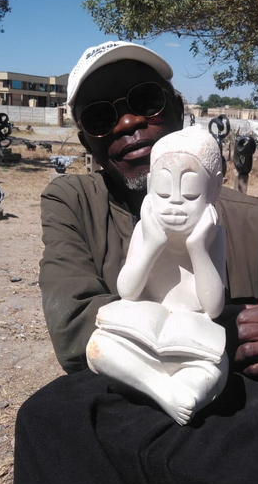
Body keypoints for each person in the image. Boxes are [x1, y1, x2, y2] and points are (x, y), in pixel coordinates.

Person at [8, 41, 258, 484]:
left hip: (240, 426)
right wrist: (247, 317)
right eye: (101, 117)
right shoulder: (73, 202)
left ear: (179, 111)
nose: (126, 124)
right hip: (128, 425)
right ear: (88, 144)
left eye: (145, 101)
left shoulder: (250, 219)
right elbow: (79, 332)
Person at [87, 125, 229, 425]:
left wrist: (197, 248)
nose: (175, 203)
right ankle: (162, 389)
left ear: (214, 189)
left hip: (190, 347)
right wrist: (152, 244)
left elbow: (214, 308)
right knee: (98, 347)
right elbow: (127, 291)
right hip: (142, 340)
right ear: (150, 185)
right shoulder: (146, 229)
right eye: (163, 192)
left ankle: (168, 385)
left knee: (217, 371)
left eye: (190, 194)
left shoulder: (213, 237)